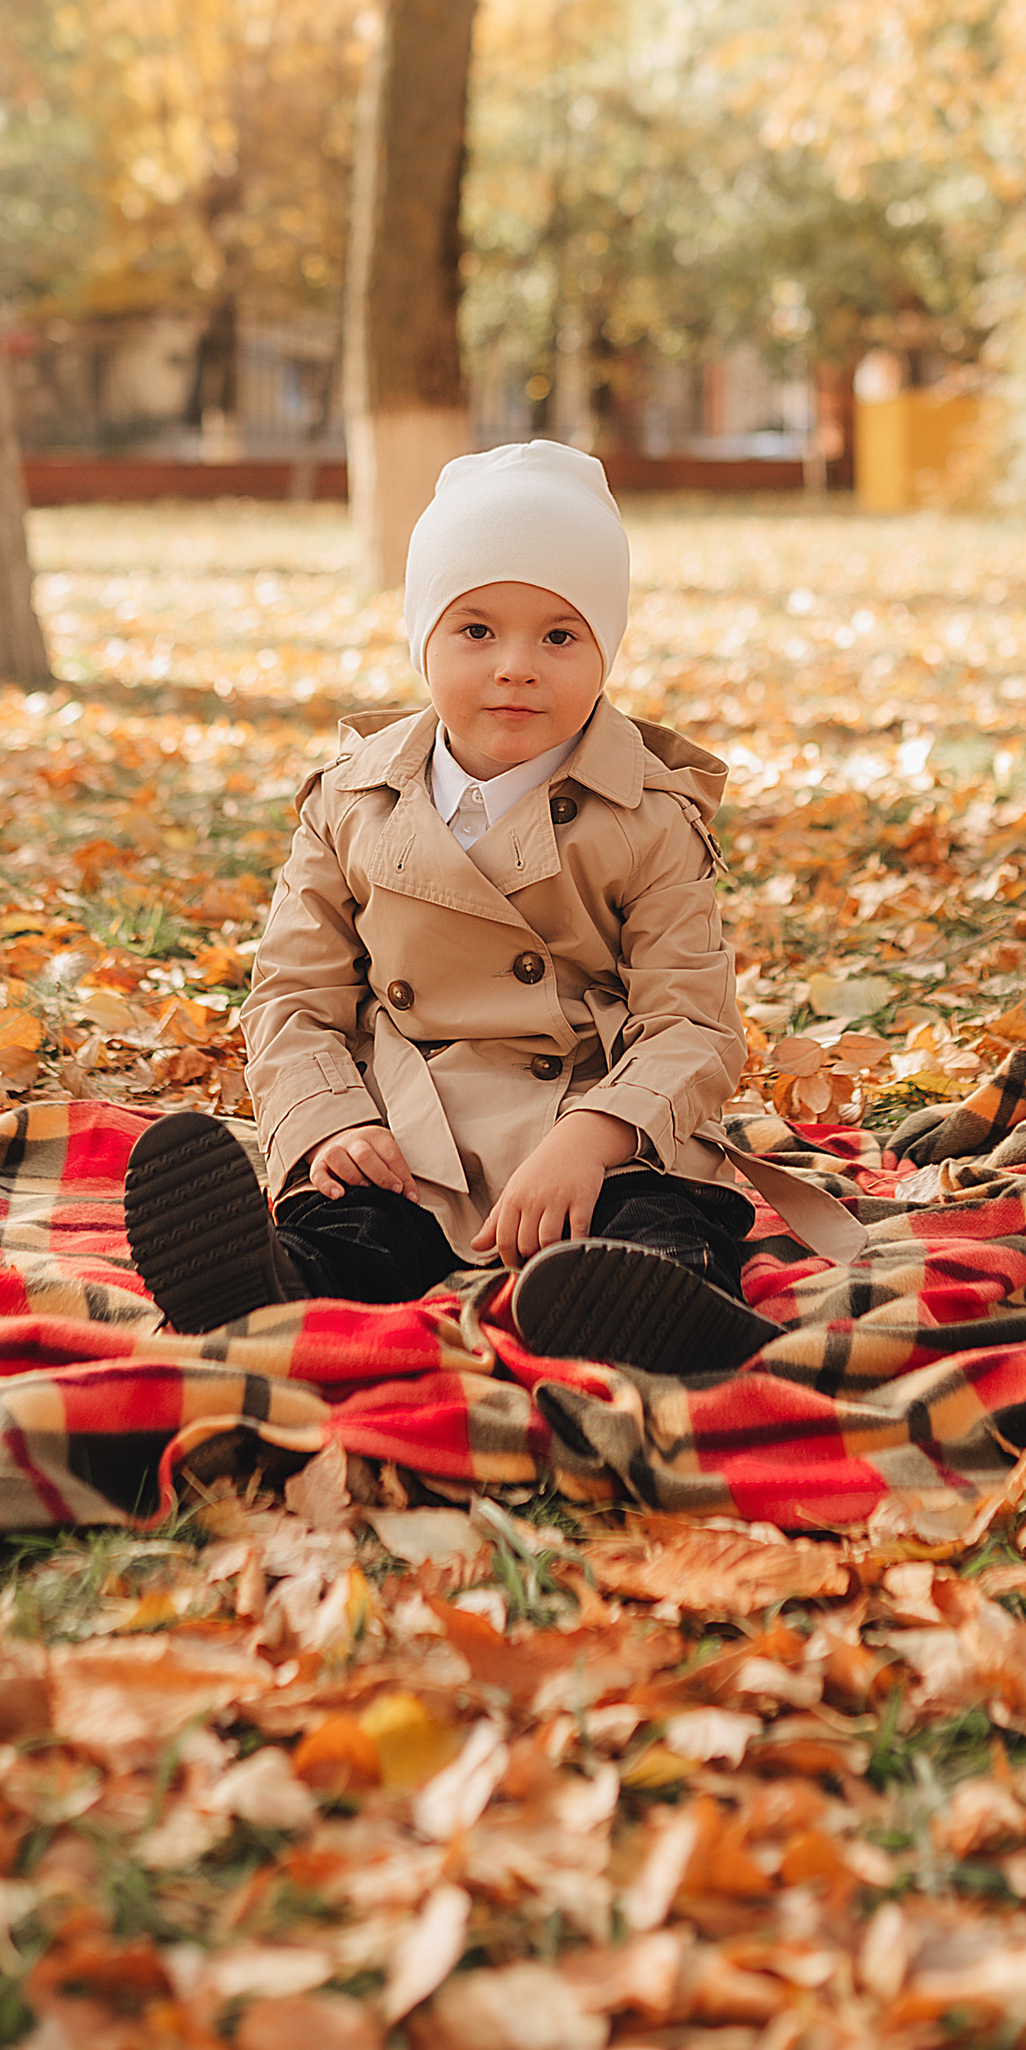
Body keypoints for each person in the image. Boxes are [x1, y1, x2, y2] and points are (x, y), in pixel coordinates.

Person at [121, 439, 775, 1377]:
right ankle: (268, 1286)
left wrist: (594, 1138)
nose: (515, 667)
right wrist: (332, 1122)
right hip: (407, 1124)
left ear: (606, 650)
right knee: (358, 1224)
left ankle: (651, 1302)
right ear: (422, 638)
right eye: (475, 631)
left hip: (595, 1115)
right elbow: (291, 999)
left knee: (665, 1209)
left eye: (560, 635)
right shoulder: (353, 800)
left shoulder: (649, 817)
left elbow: (694, 1024)